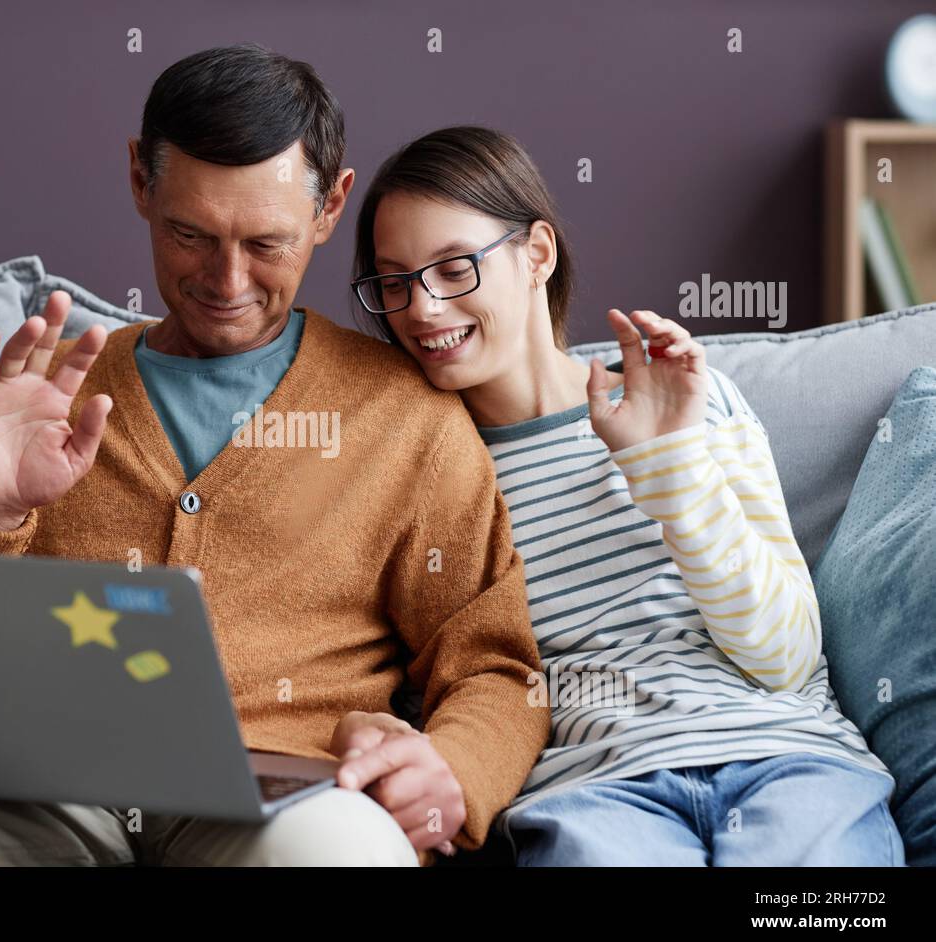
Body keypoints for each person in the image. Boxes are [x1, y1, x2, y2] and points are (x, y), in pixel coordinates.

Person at [0, 48, 548, 867]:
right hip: (36, 792)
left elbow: (493, 663)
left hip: (287, 802)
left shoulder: (407, 417)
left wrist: (451, 768)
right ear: (140, 181)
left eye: (267, 243)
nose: (227, 280)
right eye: (189, 234)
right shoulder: (37, 395)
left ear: (330, 207)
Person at [350, 125, 905, 865]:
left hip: (791, 760)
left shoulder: (688, 402)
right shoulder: (427, 478)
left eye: (454, 269)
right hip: (595, 795)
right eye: (395, 281)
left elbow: (786, 657)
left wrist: (667, 465)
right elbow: (456, 685)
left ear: (537, 254)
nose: (422, 310)